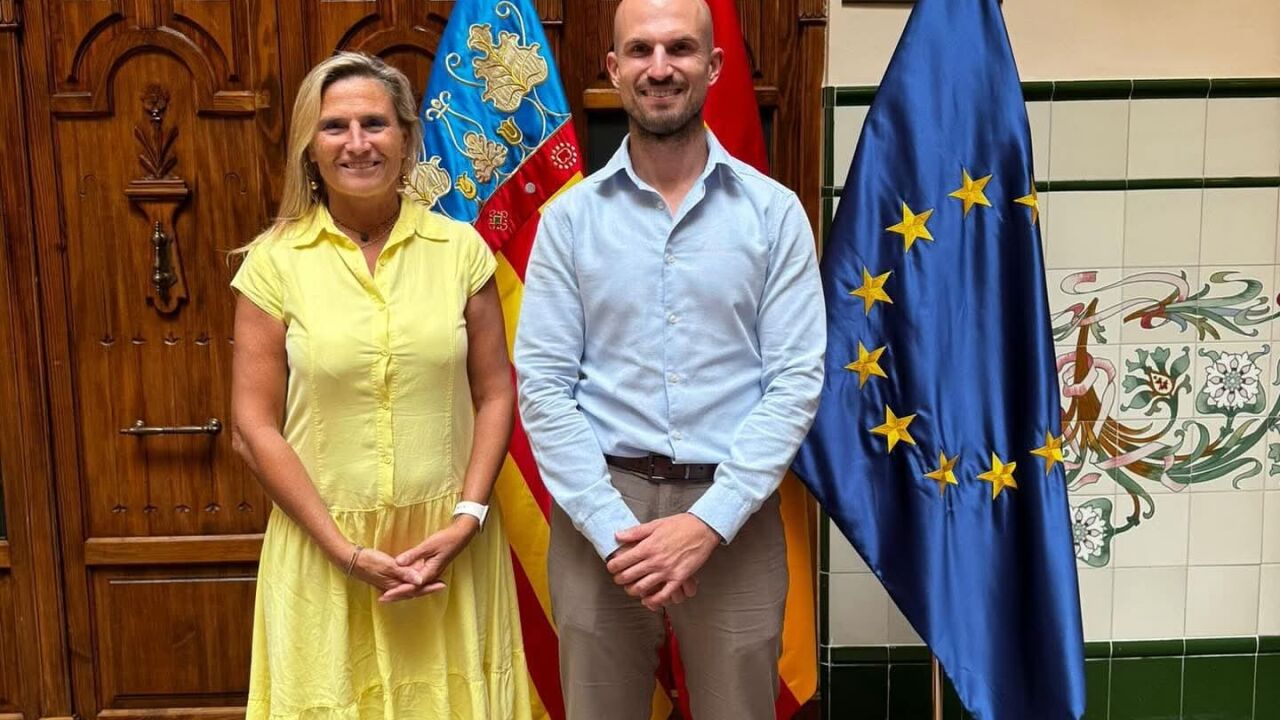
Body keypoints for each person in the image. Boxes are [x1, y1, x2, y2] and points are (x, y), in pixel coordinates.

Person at [513, 0, 825, 717]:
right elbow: (545, 387)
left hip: (735, 511)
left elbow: (795, 380)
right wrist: (609, 529)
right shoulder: (569, 221)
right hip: (600, 510)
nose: (660, 68)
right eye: (641, 50)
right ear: (613, 69)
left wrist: (709, 521)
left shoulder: (773, 213)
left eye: (680, 49)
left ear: (713, 67)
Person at [230, 51, 531, 720]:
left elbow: (494, 394)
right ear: (310, 147)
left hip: (447, 551)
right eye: (335, 126)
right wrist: (344, 552)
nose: (358, 143)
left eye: (375, 123)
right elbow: (253, 427)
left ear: (406, 137)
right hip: (324, 553)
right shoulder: (272, 264)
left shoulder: (461, 250)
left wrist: (467, 520)